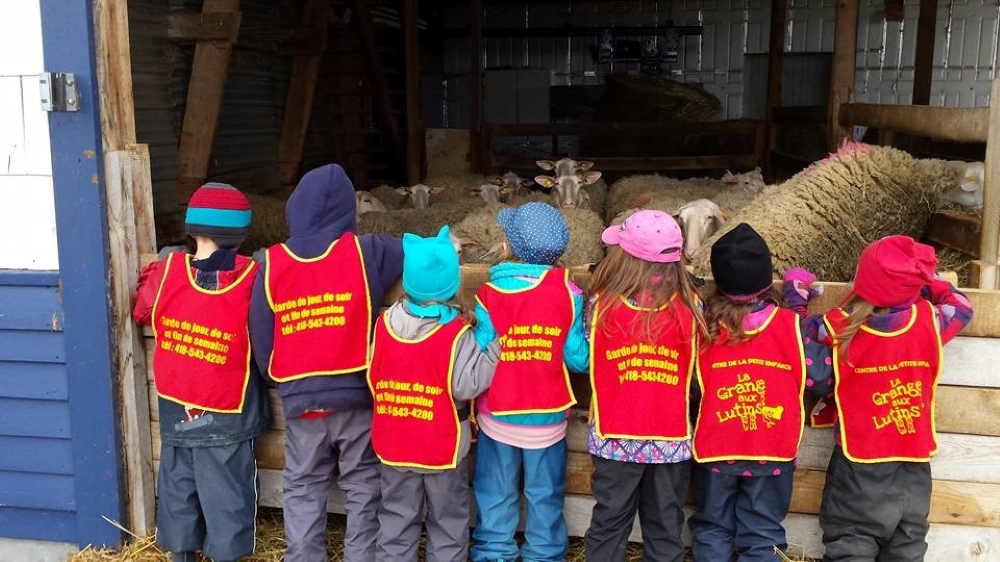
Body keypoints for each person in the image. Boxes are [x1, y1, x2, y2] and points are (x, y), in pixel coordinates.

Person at [247, 163, 403, 562]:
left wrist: (276, 378)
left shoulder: (271, 262)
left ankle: (303, 556)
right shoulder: (367, 250)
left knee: (303, 484)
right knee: (363, 483)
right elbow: (417, 251)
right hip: (355, 398)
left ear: (295, 208)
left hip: (302, 400)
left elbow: (262, 333)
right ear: (349, 212)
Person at [791, 234, 973, 561]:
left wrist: (798, 301)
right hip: (913, 470)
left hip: (859, 469)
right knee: (907, 547)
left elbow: (803, 349)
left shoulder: (841, 330)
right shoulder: (929, 323)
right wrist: (930, 283)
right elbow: (963, 306)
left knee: (851, 543)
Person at [133, 182, 272, 562]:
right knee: (228, 492)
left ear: (191, 229)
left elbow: (142, 310)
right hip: (227, 413)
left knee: (178, 486)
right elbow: (265, 334)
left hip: (178, 409)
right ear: (240, 235)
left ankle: (181, 555)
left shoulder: (167, 271)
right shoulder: (250, 277)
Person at [688, 223, 819, 562]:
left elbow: (691, 388)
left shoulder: (703, 327)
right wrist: (798, 303)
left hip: (716, 450)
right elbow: (817, 375)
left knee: (713, 527)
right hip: (771, 450)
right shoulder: (790, 326)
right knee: (762, 533)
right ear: (765, 279)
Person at [368, 225, 499, 562]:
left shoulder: (384, 324)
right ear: (453, 283)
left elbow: (374, 376)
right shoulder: (455, 332)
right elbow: (466, 385)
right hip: (440, 445)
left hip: (395, 441)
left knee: (396, 518)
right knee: (447, 521)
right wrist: (493, 350)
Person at [583, 210, 708, 562]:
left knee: (608, 525)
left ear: (625, 258)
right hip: (670, 441)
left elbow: (584, 356)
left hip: (615, 441)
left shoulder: (602, 305)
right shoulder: (691, 306)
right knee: (666, 528)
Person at [470, 202, 590, 562]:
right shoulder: (569, 293)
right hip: (547, 419)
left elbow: (479, 351)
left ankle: (494, 551)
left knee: (495, 489)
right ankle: (543, 553)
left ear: (510, 245)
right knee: (544, 492)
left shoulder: (490, 295)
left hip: (498, 415)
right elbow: (579, 359)